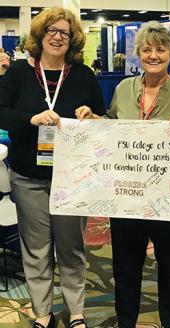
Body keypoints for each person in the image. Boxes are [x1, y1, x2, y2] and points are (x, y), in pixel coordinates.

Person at [83, 21, 170, 328]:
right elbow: (111, 127)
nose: (153, 55)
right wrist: (91, 119)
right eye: (146, 49)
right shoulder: (124, 89)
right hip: (127, 198)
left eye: (160, 49)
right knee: (125, 268)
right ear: (137, 54)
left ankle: (169, 323)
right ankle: (126, 322)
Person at [0, 7, 105, 328]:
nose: (58, 37)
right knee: (36, 249)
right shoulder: (18, 73)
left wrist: (93, 117)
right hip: (28, 178)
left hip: (72, 179)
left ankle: (76, 313)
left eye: (65, 32)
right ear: (40, 35)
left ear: (73, 39)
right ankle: (42, 314)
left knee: (72, 249)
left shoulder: (84, 75)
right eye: (52, 31)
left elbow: (102, 121)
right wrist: (30, 119)